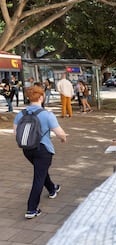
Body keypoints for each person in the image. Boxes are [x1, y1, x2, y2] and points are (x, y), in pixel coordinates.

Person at [13, 85, 68, 219]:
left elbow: (16, 133)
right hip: (43, 150)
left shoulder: (20, 114)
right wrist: (63, 139)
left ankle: (52, 188)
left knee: (41, 171)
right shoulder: (47, 114)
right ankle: (31, 209)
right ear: (41, 97)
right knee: (38, 177)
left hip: (27, 149)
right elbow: (60, 133)